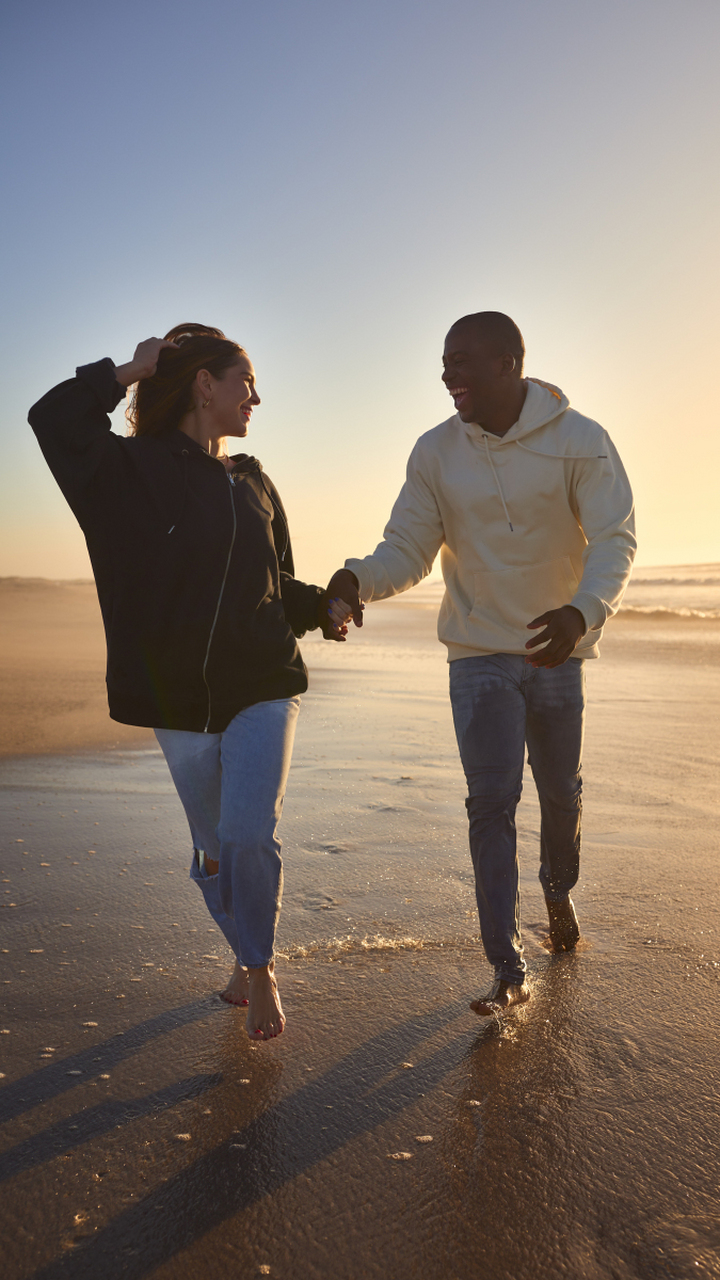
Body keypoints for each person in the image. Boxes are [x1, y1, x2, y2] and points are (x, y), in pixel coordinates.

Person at [29, 324, 349, 1041]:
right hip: (177, 700)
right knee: (212, 847)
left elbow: (276, 586)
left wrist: (321, 606)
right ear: (205, 385)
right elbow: (51, 418)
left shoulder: (254, 480)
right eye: (245, 382)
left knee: (245, 836)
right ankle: (243, 953)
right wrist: (129, 370)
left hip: (266, 684)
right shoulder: (124, 473)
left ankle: (260, 971)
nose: (257, 398)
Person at [327, 311, 636, 1015]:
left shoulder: (581, 439)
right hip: (478, 656)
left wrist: (582, 611)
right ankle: (507, 967)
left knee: (560, 791)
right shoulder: (435, 452)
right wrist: (355, 580)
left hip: (557, 649)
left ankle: (558, 889)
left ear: (509, 363)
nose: (447, 374)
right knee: (490, 805)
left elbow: (616, 537)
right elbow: (407, 547)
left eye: (462, 361)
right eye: (444, 361)